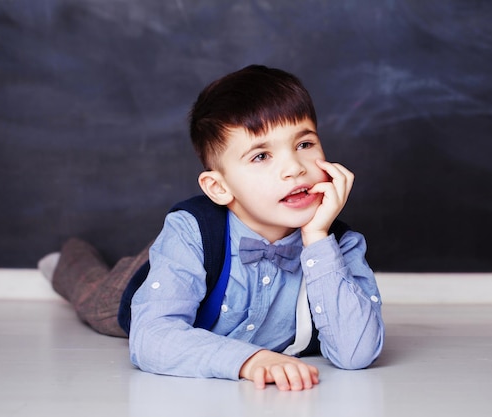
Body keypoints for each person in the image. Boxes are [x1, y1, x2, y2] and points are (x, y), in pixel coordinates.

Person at [39, 64, 384, 391]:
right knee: (95, 299)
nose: (294, 168)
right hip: (181, 261)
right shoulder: (191, 231)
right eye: (262, 156)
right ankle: (66, 260)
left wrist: (317, 241)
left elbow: (356, 353)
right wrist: (248, 360)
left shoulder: (339, 244)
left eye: (304, 144)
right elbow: (150, 338)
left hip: (270, 249)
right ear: (219, 187)